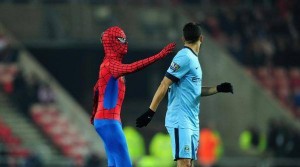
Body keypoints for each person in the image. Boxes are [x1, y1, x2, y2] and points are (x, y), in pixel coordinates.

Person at [136, 22, 233, 167]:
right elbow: (164, 83)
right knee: (185, 163)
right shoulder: (184, 57)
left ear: (183, 38)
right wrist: (150, 112)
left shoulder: (193, 60)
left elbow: (195, 91)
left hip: (191, 120)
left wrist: (217, 88)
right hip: (180, 119)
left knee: (189, 163)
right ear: (202, 38)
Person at [90, 26, 175, 167]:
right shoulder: (111, 64)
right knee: (123, 162)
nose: (125, 44)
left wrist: (94, 114)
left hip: (104, 120)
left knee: (114, 160)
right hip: (109, 120)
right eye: (121, 40)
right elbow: (133, 67)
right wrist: (159, 55)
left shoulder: (107, 65)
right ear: (112, 43)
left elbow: (96, 90)